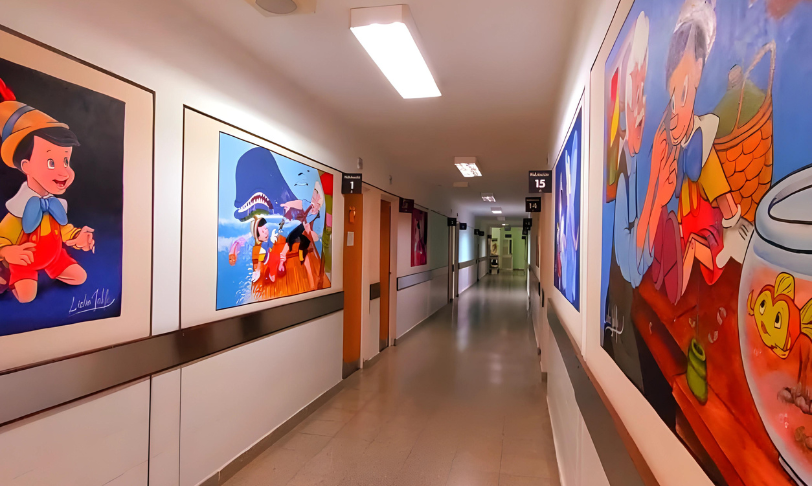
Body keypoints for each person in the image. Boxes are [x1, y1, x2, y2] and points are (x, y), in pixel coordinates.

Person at [636, 0, 752, 303]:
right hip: (688, 221)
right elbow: (657, 201)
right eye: (675, 95)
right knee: (673, 231)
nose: (678, 110)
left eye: (686, 94)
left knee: (690, 247)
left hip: (709, 231)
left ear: (700, 73)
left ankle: (676, 283)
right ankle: (668, 269)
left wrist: (733, 220)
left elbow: (720, 195)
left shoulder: (701, 139)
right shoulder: (666, 138)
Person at [0, 79, 95, 303]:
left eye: (66, 161)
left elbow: (62, 229)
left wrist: (77, 237)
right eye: (51, 163)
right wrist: (7, 252)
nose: (64, 172)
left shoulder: (56, 204)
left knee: (80, 277)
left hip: (54, 256)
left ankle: (53, 268)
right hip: (26, 260)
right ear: (26, 166)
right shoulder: (19, 208)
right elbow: (2, 235)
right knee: (26, 297)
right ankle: (10, 274)